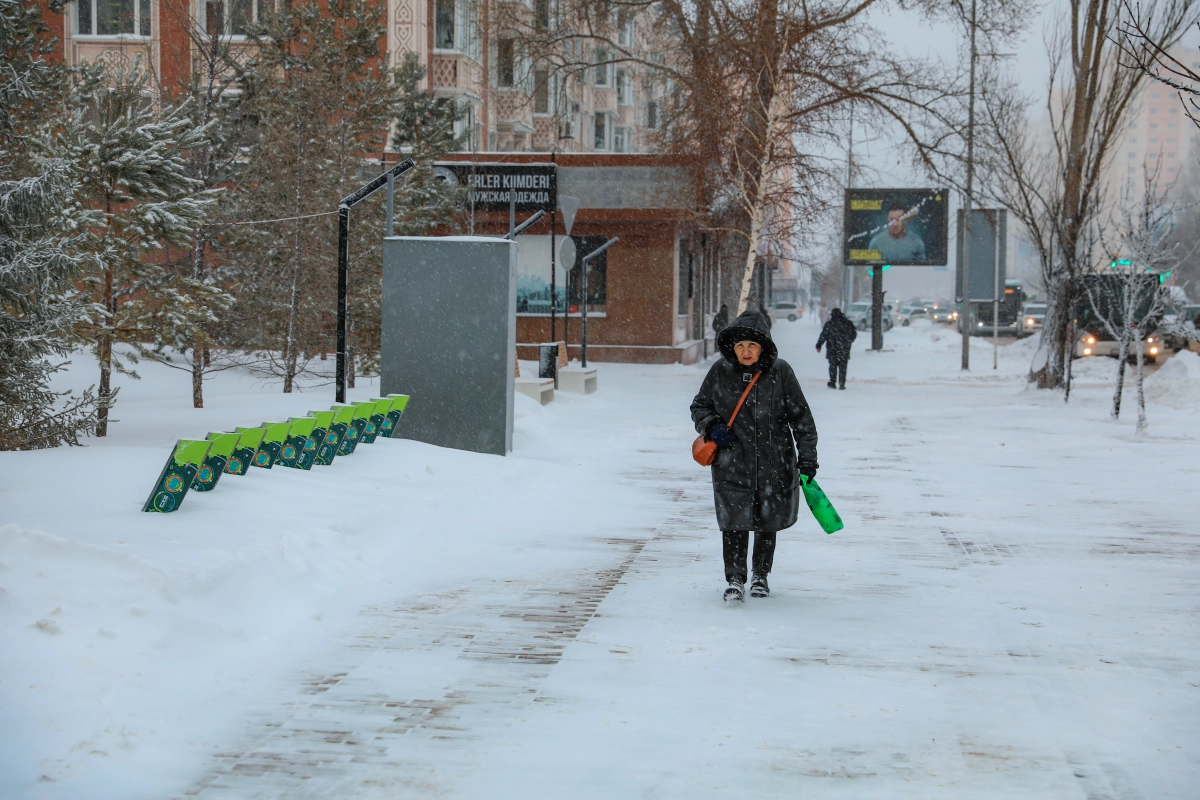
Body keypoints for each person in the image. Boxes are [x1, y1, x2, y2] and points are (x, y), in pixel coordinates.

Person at [690, 310, 819, 603]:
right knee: (734, 522)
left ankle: (761, 576)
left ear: (763, 346)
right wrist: (712, 425)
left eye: (752, 345)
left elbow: (802, 419)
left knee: (766, 522)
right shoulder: (720, 372)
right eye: (740, 346)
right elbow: (700, 406)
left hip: (775, 463)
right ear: (732, 348)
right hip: (732, 463)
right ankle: (735, 578)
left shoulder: (781, 372)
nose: (746, 351)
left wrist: (807, 458)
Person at [816, 307, 857, 390]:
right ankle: (842, 383)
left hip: (832, 349)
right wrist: (848, 342)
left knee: (832, 366)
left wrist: (819, 345)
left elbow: (823, 335)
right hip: (844, 349)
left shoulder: (829, 324)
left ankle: (832, 382)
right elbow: (854, 334)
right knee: (843, 366)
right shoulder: (848, 323)